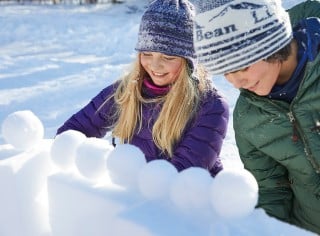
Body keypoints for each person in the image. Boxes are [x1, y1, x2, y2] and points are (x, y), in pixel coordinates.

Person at [56, 0, 229, 178]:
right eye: (147, 54)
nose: (155, 65)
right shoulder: (128, 91)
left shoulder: (210, 105)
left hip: (191, 200)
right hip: (139, 193)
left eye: (168, 57)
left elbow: (182, 175)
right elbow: (72, 133)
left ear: (189, 61)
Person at [192, 0, 320, 234]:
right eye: (226, 72)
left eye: (242, 67)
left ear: (272, 45)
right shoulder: (249, 118)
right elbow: (271, 191)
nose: (236, 83)